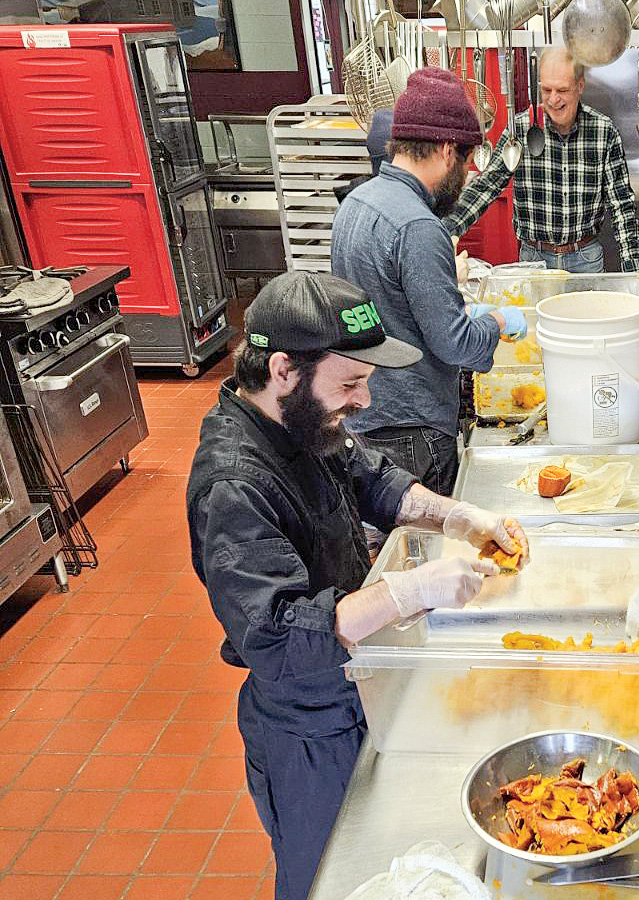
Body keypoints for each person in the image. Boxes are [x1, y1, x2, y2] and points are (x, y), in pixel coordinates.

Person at [186, 271, 529, 900]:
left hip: (358, 688)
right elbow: (279, 636)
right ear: (284, 369)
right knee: (329, 878)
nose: (364, 402)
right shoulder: (234, 485)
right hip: (306, 726)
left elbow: (375, 481)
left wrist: (458, 516)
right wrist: (407, 592)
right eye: (350, 383)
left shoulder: (303, 424)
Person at [332, 68, 527, 494]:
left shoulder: (356, 202)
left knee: (389, 547)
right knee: (427, 545)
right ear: (444, 150)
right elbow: (454, 343)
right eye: (466, 160)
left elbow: (390, 308)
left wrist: (456, 309)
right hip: (412, 428)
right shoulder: (418, 226)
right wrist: (493, 321)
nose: (468, 173)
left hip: (364, 417)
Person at [444, 46, 639, 273]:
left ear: (580, 86)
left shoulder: (603, 131)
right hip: (534, 259)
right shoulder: (520, 128)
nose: (553, 99)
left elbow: (622, 205)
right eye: (546, 90)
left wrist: (633, 271)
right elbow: (486, 187)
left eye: (562, 90)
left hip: (585, 258)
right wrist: (445, 231)